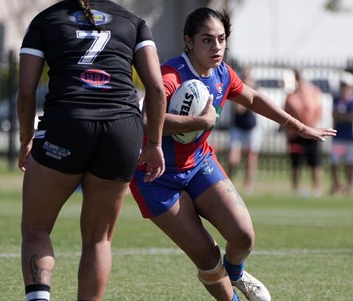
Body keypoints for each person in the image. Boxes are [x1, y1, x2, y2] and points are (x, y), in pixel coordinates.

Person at [128, 8, 335, 301]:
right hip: (156, 175)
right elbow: (147, 121)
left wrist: (298, 125)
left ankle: (236, 272)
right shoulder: (172, 74)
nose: (216, 47)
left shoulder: (223, 72)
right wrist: (201, 121)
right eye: (207, 40)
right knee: (207, 255)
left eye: (221, 39)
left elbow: (251, 97)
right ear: (189, 41)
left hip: (198, 164)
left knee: (243, 236)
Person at [17, 1, 166, 300]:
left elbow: (25, 91)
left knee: (36, 229)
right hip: (122, 129)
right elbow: (157, 89)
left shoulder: (45, 20)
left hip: (67, 122)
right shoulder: (133, 21)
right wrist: (155, 143)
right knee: (99, 240)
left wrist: (26, 138)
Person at [283, 68, 324, 197]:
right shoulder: (291, 96)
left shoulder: (313, 93)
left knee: (314, 161)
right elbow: (286, 114)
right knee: (296, 162)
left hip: (310, 133)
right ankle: (295, 188)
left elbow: (318, 111)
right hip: (295, 135)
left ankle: (317, 188)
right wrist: (289, 132)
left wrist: (313, 127)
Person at [227, 66, 261, 194]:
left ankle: (248, 185)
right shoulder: (236, 90)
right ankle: (229, 183)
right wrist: (248, 101)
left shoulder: (255, 90)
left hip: (252, 128)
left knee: (251, 159)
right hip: (237, 127)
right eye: (245, 77)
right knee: (233, 159)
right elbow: (238, 110)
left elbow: (256, 107)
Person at [330, 73, 353, 196]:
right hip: (338, 137)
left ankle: (348, 187)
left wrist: (341, 116)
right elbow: (334, 116)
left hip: (349, 138)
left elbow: (351, 118)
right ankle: (337, 186)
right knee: (335, 163)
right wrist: (342, 117)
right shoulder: (336, 99)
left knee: (349, 164)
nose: (343, 87)